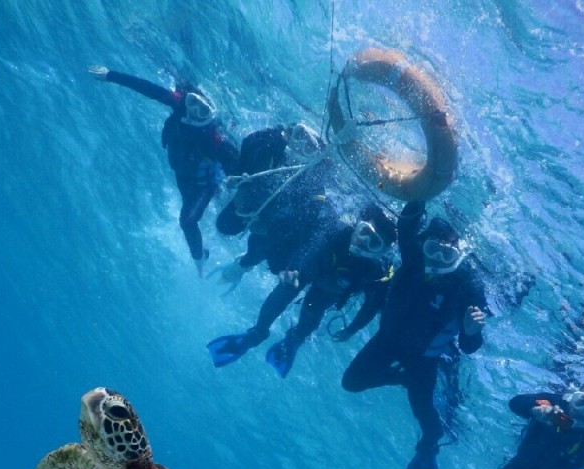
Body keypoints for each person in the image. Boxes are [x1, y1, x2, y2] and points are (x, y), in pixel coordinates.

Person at [341, 199, 487, 469]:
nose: (436, 260)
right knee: (350, 382)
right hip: (386, 343)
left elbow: (470, 346)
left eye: (446, 254)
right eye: (432, 249)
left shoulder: (468, 285)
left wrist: (472, 332)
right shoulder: (414, 260)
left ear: (460, 253)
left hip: (424, 361)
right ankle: (401, 378)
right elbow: (406, 226)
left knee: (430, 425)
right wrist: (420, 194)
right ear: (424, 245)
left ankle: (427, 453)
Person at [207, 204, 396, 373]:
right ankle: (258, 332)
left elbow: (373, 305)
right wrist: (293, 270)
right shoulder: (337, 229)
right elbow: (310, 248)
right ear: (359, 224)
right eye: (364, 231)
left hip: (331, 285)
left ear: (381, 252)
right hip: (312, 266)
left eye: (374, 243)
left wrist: (352, 329)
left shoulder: (375, 270)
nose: (362, 242)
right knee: (287, 287)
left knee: (315, 306)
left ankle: (295, 339)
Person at [89, 66, 239, 271]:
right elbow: (147, 88)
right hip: (182, 176)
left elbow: (233, 159)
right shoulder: (179, 104)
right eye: (193, 103)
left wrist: (236, 177)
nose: (194, 112)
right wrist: (110, 75)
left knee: (187, 221)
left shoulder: (212, 137)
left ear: (210, 116)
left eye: (202, 110)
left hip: (203, 184)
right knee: (189, 215)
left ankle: (199, 258)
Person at [212, 122, 337, 287]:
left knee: (272, 261)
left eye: (308, 147)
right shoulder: (271, 146)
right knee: (225, 226)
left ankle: (243, 264)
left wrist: (268, 228)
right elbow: (249, 145)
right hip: (251, 200)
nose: (299, 147)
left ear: (315, 158)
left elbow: (302, 227)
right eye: (299, 136)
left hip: (272, 221)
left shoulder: (312, 185)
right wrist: (239, 180)